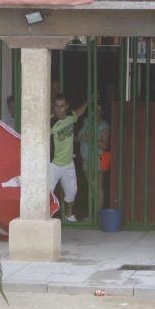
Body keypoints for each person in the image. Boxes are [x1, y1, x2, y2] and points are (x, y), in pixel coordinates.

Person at [50, 94, 87, 222]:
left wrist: (87, 102)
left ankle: (68, 215)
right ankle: (46, 216)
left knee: (72, 191)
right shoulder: (50, 122)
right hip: (53, 164)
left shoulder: (71, 116)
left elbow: (79, 112)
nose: (59, 109)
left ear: (66, 106)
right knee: (47, 192)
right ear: (53, 107)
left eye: (62, 106)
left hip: (68, 163)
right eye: (56, 106)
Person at [77, 99, 111, 211]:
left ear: (102, 112)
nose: (96, 113)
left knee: (97, 187)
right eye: (94, 110)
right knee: (91, 188)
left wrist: (89, 138)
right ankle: (92, 214)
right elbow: (80, 137)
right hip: (86, 159)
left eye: (99, 111)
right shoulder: (87, 121)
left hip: (97, 159)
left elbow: (105, 145)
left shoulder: (103, 125)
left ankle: (96, 215)